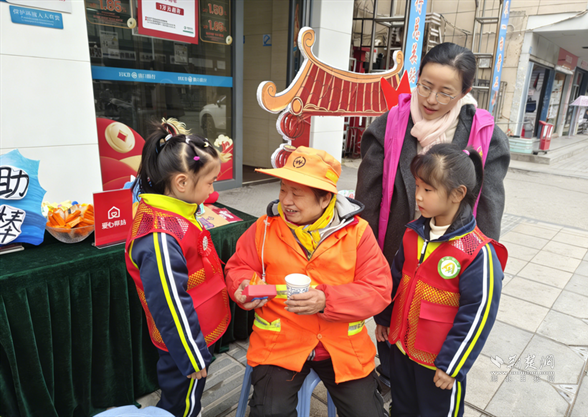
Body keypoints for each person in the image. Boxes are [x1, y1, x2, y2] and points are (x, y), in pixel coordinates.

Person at [355, 42, 510, 389]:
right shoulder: (389, 124)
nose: (431, 99)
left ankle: (435, 375)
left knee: (436, 322)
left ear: (465, 92)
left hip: (450, 254)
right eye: (425, 86)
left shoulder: (484, 136)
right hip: (397, 244)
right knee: (391, 317)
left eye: (445, 92)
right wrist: (362, 252)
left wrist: (482, 265)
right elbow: (368, 191)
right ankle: (391, 378)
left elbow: (489, 205)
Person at [225, 146, 392, 417]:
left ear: (325, 198)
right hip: (280, 346)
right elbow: (238, 267)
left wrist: (327, 300)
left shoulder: (358, 233)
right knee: (271, 413)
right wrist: (242, 285)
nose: (286, 201)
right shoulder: (264, 228)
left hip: (343, 349)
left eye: (297, 193)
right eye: (283, 190)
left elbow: (379, 290)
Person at [376, 143, 507, 417]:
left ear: (458, 194)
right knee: (401, 409)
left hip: (438, 365)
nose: (418, 196)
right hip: (401, 349)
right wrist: (384, 319)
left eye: (428, 190)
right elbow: (396, 280)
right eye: (417, 187)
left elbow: (478, 315)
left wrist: (452, 365)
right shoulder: (412, 234)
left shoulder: (476, 252)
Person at [125, 118, 231, 417]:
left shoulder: (178, 210)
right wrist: (192, 355)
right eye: (210, 181)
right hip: (185, 342)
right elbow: (169, 302)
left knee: (190, 396)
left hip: (197, 329)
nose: (212, 189)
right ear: (182, 182)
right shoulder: (159, 235)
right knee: (182, 403)